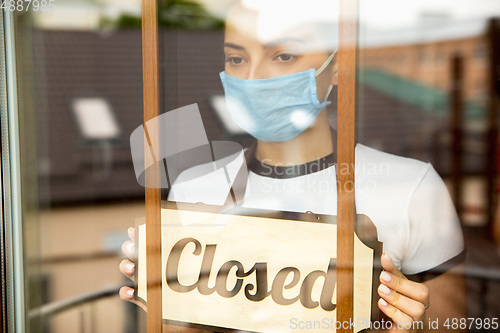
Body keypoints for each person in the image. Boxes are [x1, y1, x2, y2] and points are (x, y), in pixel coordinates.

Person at [120, 1, 467, 332]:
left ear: (338, 65)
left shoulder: (412, 189)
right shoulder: (193, 190)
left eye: (283, 55)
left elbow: (451, 325)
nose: (253, 78)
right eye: (237, 58)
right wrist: (166, 307)